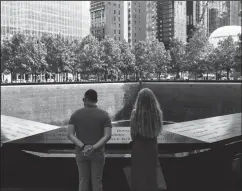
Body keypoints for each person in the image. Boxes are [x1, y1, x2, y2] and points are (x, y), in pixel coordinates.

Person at [67, 89, 112, 191]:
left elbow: (70, 134)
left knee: (83, 180)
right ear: (96, 100)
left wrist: (83, 146)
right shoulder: (104, 115)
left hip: (81, 152)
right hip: (98, 152)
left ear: (86, 99)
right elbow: (107, 135)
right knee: (97, 181)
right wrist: (93, 147)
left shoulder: (75, 114)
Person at [130, 88, 165, 191]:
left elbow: (133, 133)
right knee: (152, 175)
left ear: (139, 99)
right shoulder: (157, 112)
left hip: (139, 147)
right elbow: (158, 130)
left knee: (138, 178)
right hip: (152, 146)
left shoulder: (135, 113)